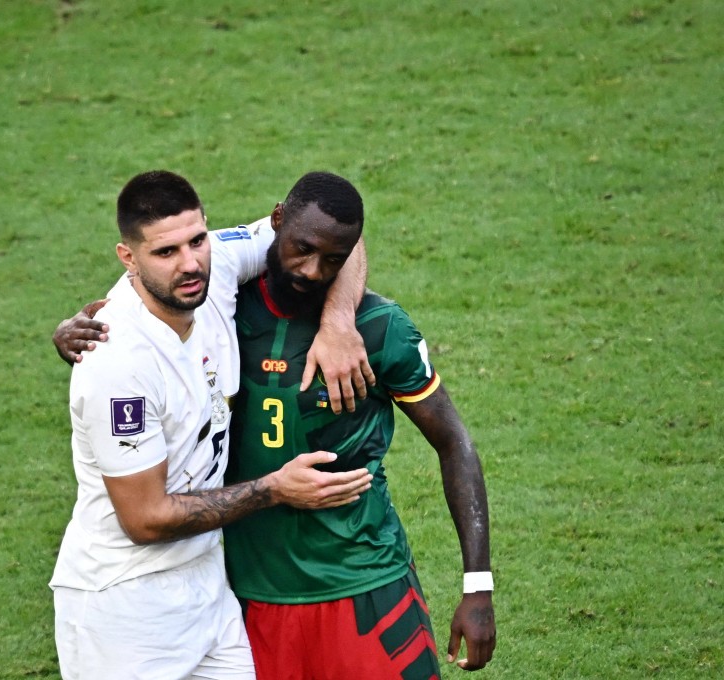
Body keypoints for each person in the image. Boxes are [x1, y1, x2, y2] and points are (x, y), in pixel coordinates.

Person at [55, 172, 496, 678]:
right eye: (166, 252)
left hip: (237, 593)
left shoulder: (218, 275)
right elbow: (145, 518)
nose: (190, 261)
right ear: (128, 258)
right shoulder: (119, 355)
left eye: (197, 241)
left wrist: (338, 320)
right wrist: (276, 490)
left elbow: (336, 230)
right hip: (131, 603)